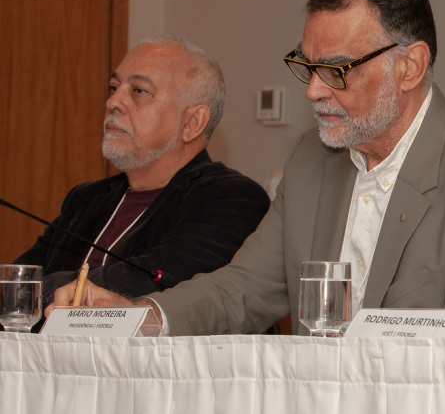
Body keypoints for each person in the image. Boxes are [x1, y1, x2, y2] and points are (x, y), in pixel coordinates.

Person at [53, 0, 445, 336]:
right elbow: (244, 288)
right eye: (306, 66)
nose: (313, 90)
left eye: (334, 69)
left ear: (409, 68)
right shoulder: (313, 163)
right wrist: (141, 316)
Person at [19, 37, 269, 304]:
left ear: (192, 123)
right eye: (113, 87)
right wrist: (26, 291)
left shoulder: (232, 198)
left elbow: (151, 282)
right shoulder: (86, 199)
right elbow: (16, 281)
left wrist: (38, 291)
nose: (113, 102)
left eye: (139, 90)